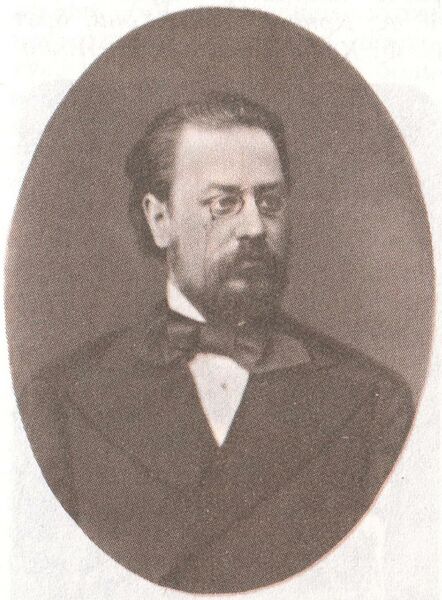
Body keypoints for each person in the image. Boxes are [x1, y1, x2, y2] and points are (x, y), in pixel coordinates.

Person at [20, 92, 415, 593]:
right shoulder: (61, 401)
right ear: (159, 219)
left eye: (269, 202)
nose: (254, 227)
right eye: (223, 203)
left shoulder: (373, 401)